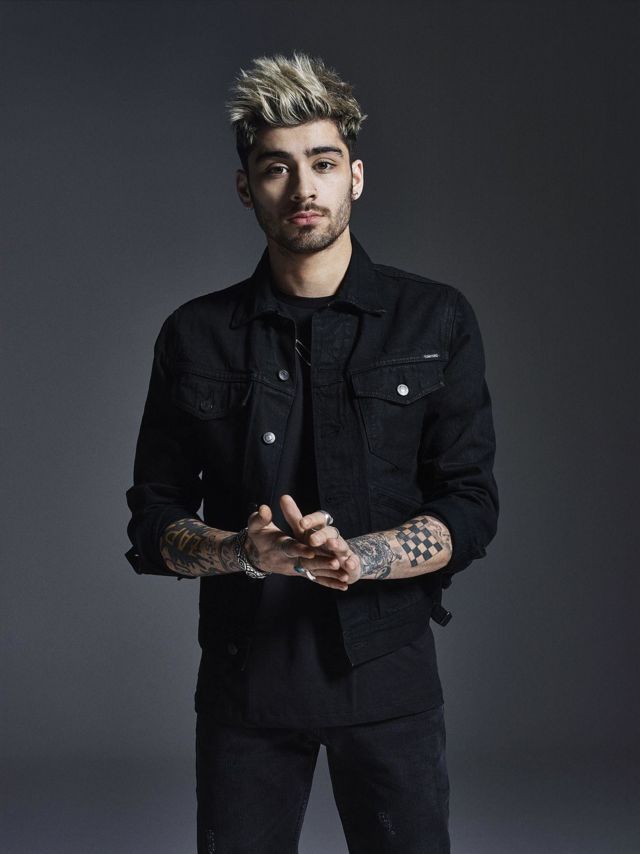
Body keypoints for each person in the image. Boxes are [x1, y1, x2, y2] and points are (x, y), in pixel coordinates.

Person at [125, 50, 499, 854]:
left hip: (389, 676)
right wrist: (244, 552)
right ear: (245, 187)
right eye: (276, 168)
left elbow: (471, 505)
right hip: (246, 686)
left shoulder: (435, 320)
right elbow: (153, 519)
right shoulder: (194, 335)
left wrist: (363, 557)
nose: (303, 188)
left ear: (354, 177)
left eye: (323, 163)